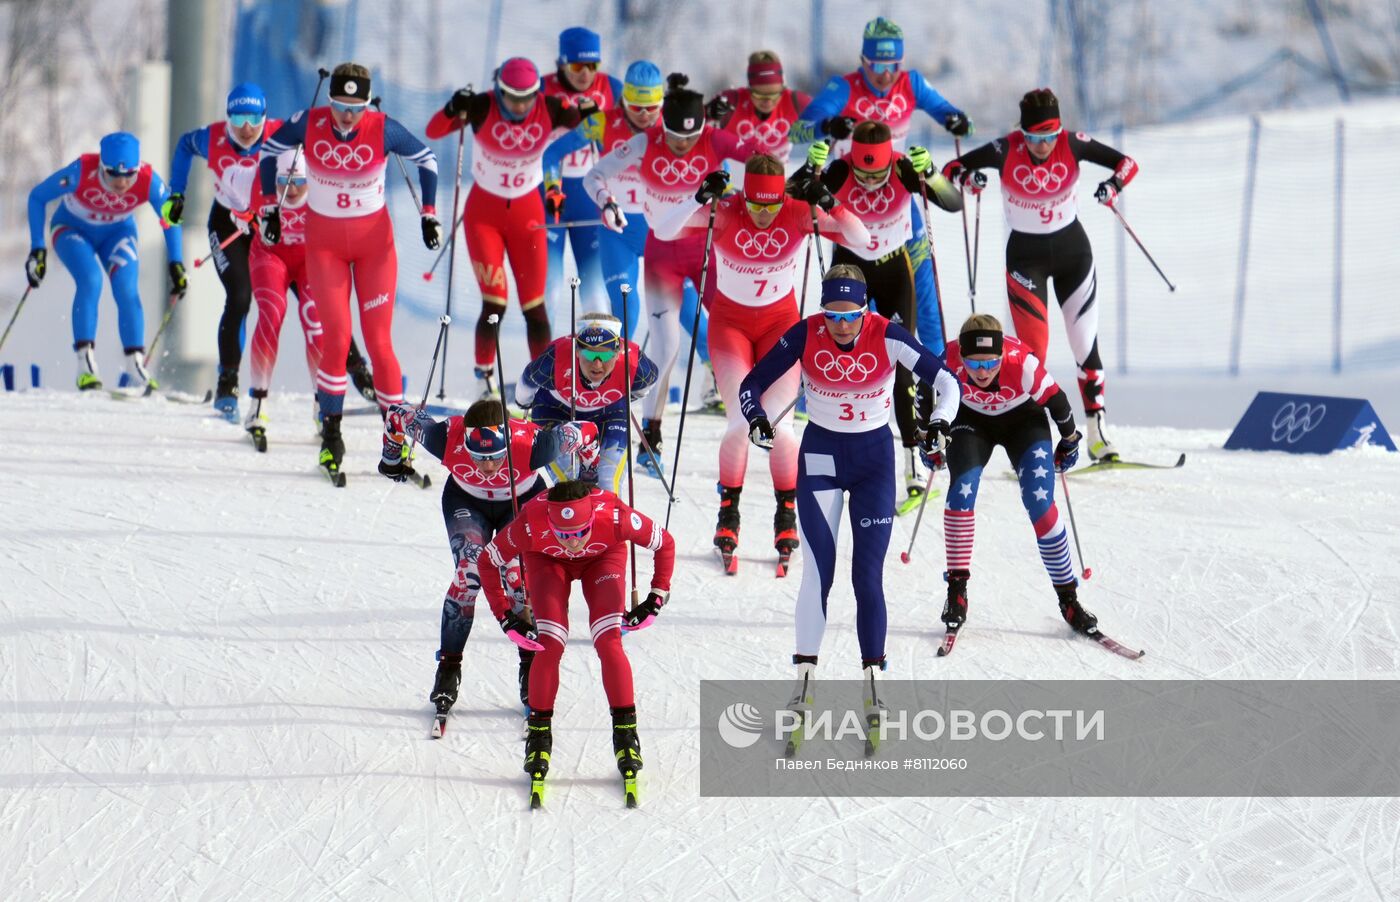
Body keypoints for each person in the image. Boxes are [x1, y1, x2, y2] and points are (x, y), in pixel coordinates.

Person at [738, 266, 959, 727]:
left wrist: (938, 421)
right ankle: (803, 680)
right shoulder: (805, 333)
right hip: (820, 455)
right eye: (833, 315)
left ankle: (873, 682)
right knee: (818, 574)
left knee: (866, 577)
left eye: (851, 315)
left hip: (873, 463)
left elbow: (948, 382)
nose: (841, 326)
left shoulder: (888, 334)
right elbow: (750, 384)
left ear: (865, 309)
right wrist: (757, 417)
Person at [652, 154, 869, 569]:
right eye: (755, 205)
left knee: (782, 430)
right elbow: (663, 229)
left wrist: (827, 199)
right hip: (729, 328)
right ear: (744, 196)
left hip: (781, 330)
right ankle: (727, 515)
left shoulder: (796, 212)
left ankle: (786, 515)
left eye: (771, 206)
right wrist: (697, 195)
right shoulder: (727, 210)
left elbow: (861, 239)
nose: (764, 215)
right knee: (740, 424)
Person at [259, 62, 441, 482]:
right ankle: (331, 437)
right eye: (340, 106)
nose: (347, 116)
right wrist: (271, 206)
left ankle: (395, 444)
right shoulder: (309, 122)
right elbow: (270, 150)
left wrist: (428, 214)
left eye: (355, 108)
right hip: (324, 247)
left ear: (366, 104)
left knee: (379, 342)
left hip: (375, 246)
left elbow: (426, 158)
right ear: (329, 101)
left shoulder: (383, 127)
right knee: (337, 339)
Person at [943, 88, 1138, 461]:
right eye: (1034, 138)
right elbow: (952, 169)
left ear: (1058, 131)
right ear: (1023, 133)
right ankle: (1032, 438)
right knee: (1033, 355)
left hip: (1073, 254)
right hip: (1025, 259)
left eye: (1049, 137)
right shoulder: (1005, 149)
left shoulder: (1074, 143)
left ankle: (1097, 433)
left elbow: (1127, 163)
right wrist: (970, 180)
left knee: (1084, 345)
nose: (1042, 146)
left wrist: (1113, 186)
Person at [378, 399, 601, 719]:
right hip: (466, 501)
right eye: (478, 456)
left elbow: (588, 433)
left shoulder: (537, 444)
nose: (488, 466)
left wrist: (588, 480)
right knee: (469, 574)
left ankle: (529, 664)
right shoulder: (445, 437)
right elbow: (398, 414)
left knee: (519, 583)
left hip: (521, 501)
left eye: (496, 457)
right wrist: (392, 458)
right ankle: (448, 668)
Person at [583, 76, 756, 474]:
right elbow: (595, 175)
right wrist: (607, 203)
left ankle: (755, 413)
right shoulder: (645, 142)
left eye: (689, 138)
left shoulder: (715, 139)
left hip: (707, 248)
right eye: (675, 136)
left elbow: (765, 161)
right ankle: (651, 433)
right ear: (665, 127)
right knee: (666, 345)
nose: (682, 146)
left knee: (736, 325)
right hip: (662, 252)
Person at [170, 83, 375, 420]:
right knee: (239, 296)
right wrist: (177, 193)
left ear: (266, 117)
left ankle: (358, 371)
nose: (247, 128)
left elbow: (331, 135)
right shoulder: (214, 139)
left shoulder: (284, 134)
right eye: (238, 118)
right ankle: (228, 384)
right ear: (228, 118)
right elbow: (184, 146)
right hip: (232, 224)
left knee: (318, 299)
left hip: (277, 226)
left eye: (254, 118)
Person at [795, 16, 972, 372]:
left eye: (892, 65)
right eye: (876, 65)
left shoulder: (912, 84)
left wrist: (957, 120)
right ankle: (858, 382)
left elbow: (955, 117)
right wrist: (827, 126)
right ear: (863, 61)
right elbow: (796, 133)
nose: (885, 74)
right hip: (850, 205)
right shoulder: (842, 88)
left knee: (927, 302)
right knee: (858, 307)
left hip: (899, 199)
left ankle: (941, 386)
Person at [478, 479, 675, 797]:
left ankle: (626, 737)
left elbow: (665, 543)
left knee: (608, 639)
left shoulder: (614, 516)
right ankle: (538, 739)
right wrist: (504, 615)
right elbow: (487, 561)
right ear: (551, 524)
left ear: (591, 520)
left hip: (603, 558)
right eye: (565, 534)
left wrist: (656, 598)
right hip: (547, 561)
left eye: (580, 532)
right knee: (550, 644)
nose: (573, 542)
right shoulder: (530, 525)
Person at [804, 120, 963, 509]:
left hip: (894, 270)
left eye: (878, 175)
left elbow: (953, 201)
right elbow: (794, 192)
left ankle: (913, 460)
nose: (871, 182)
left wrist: (932, 175)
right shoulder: (840, 168)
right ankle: (839, 443)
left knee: (902, 359)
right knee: (841, 352)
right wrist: (810, 170)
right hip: (848, 270)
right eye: (863, 174)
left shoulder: (903, 167)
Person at [426, 57, 599, 399]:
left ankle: (547, 384)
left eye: (527, 98)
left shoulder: (550, 108)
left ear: (538, 93)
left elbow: (593, 125)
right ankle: (483, 379)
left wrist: (589, 110)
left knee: (534, 308)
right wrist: (451, 108)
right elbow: (433, 131)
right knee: (495, 303)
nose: (519, 105)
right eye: (511, 97)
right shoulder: (480, 107)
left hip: (528, 215)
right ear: (499, 90)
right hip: (484, 216)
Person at [935, 313, 1098, 645]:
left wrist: (1069, 442)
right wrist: (927, 437)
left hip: (1023, 422)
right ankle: (957, 592)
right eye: (974, 365)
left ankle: (1069, 600)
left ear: (1001, 355)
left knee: (1039, 503)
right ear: (961, 356)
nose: (982, 373)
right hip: (971, 422)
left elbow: (1059, 403)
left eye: (991, 364)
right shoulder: (947, 359)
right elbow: (925, 396)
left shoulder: (1021, 363)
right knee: (960, 496)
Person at [25, 131, 185, 391]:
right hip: (72, 230)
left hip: (117, 233)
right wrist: (37, 249)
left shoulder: (148, 180)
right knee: (91, 280)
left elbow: (171, 218)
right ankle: (85, 366)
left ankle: (135, 365)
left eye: (128, 176)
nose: (122, 183)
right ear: (102, 166)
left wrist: (176, 262)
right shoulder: (81, 171)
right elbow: (37, 197)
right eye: (113, 175)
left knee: (127, 288)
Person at [558, 60, 662, 337]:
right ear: (623, 100)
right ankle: (618, 372)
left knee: (685, 311)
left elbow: (713, 154)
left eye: (651, 108)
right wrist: (550, 188)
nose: (643, 115)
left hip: (660, 230)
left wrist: (723, 184)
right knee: (626, 305)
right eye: (635, 106)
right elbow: (552, 154)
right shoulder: (601, 121)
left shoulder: (672, 127)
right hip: (617, 231)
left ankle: (710, 371)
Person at [516, 313, 658, 493]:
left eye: (605, 356)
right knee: (570, 481)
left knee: (608, 481)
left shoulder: (638, 366)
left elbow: (647, 386)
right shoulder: (554, 360)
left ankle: (610, 519)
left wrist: (619, 396)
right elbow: (526, 384)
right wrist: (523, 404)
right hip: (555, 411)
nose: (597, 364)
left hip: (610, 413)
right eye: (590, 354)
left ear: (618, 351)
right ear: (577, 350)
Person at [540, 27, 621, 324]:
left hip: (590, 192)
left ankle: (598, 361)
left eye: (592, 65)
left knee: (596, 293)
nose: (585, 74)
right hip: (551, 192)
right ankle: (543, 363)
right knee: (548, 290)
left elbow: (627, 133)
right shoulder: (542, 87)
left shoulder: (612, 87)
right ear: (562, 62)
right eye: (577, 66)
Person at [242, 151, 322, 449]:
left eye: (300, 181)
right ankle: (258, 405)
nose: (293, 189)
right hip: (269, 256)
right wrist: (242, 217)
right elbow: (228, 186)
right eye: (284, 181)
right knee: (271, 313)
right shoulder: (255, 182)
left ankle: (322, 406)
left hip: (309, 261)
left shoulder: (321, 190)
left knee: (316, 321)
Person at [704, 51, 810, 167]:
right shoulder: (732, 100)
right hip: (733, 178)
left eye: (774, 94)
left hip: (777, 174)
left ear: (783, 88)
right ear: (749, 89)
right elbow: (690, 123)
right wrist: (708, 112)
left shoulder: (795, 101)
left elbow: (828, 114)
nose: (768, 101)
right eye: (759, 95)